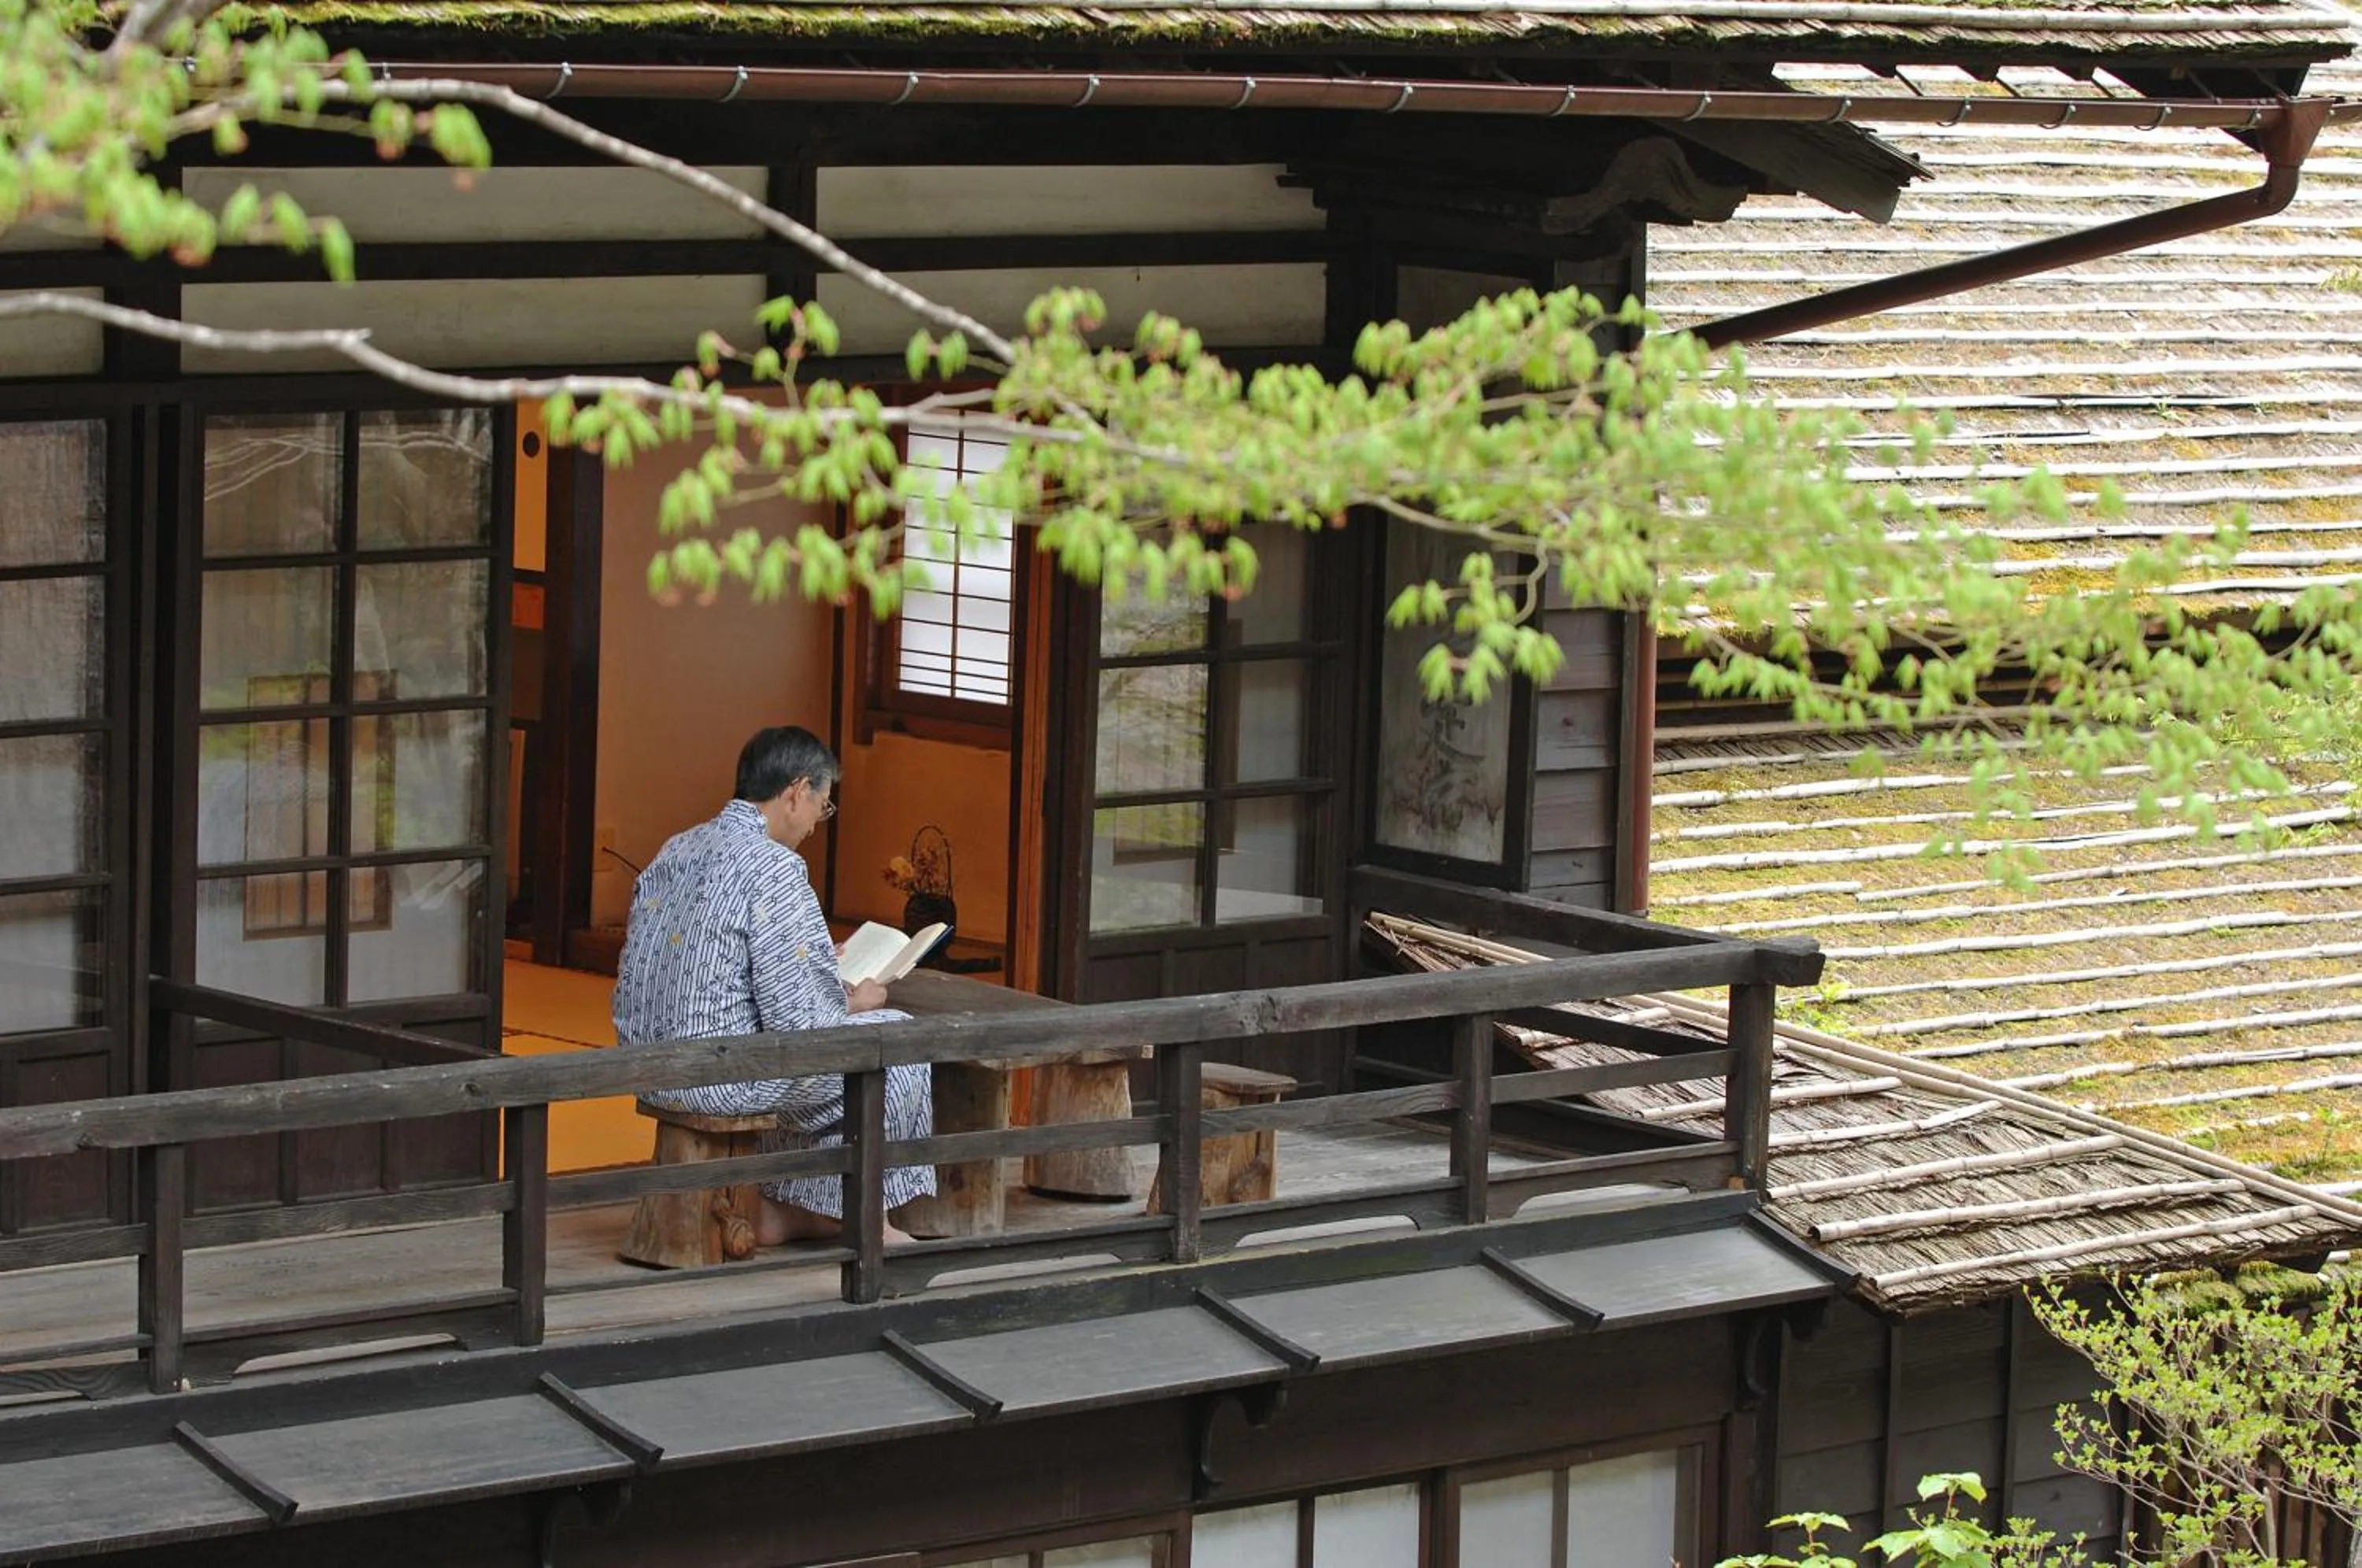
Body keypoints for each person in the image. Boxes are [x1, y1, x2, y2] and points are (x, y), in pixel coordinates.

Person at [611, 725, 935, 1245]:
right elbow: (802, 1024)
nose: (814, 826)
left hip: (649, 1064)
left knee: (812, 1044)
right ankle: (868, 1220)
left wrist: (817, 967)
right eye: (822, 807)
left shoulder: (678, 847)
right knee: (897, 1042)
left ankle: (779, 1208)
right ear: (797, 791)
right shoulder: (775, 866)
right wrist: (855, 1002)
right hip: (720, 1075)